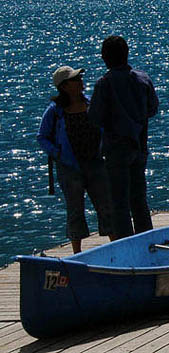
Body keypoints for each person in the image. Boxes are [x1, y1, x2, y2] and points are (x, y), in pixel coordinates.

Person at [37, 66, 114, 253]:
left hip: (96, 163)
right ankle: (76, 253)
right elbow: (42, 137)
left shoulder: (90, 103)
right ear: (64, 86)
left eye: (80, 77)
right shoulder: (55, 111)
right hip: (70, 167)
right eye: (75, 79)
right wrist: (58, 154)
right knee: (75, 211)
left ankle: (115, 246)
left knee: (106, 208)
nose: (80, 81)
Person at [88, 35, 159, 239]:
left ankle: (125, 243)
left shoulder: (105, 83)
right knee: (139, 200)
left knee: (119, 203)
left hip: (116, 149)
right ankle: (146, 240)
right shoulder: (143, 79)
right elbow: (152, 108)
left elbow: (95, 117)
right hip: (139, 146)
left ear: (106, 58)